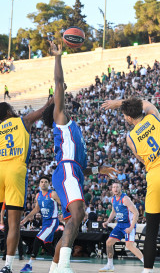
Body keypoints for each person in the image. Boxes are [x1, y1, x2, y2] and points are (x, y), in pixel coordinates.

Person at [42, 41, 119, 273]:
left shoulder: (74, 128)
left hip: (73, 172)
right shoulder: (61, 120)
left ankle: (55, 268)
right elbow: (57, 83)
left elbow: (83, 169)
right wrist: (57, 57)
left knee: (73, 222)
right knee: (77, 214)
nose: (62, 93)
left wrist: (98, 170)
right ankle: (64, 266)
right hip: (66, 172)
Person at [102, 98, 160, 273]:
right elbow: (144, 101)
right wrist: (119, 103)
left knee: (151, 230)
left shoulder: (130, 137)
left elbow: (144, 160)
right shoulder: (154, 115)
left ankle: (147, 270)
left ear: (128, 118)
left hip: (154, 176)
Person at [0, 96, 53, 273]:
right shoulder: (22, 121)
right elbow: (44, 111)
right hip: (15, 168)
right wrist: (50, 100)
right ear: (9, 112)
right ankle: (7, 266)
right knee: (13, 224)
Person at [19, 176, 60, 273]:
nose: (43, 183)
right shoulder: (38, 195)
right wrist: (25, 219)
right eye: (42, 182)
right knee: (47, 244)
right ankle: (59, 263)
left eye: (46, 182)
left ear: (49, 184)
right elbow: (36, 209)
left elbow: (63, 203)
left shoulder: (53, 194)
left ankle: (29, 265)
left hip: (53, 221)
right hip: (45, 222)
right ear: (39, 184)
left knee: (38, 238)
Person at [99, 182, 143, 272]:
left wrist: (131, 227)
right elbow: (113, 212)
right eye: (113, 187)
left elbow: (136, 213)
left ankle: (147, 266)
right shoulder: (113, 199)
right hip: (119, 225)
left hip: (128, 224)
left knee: (129, 245)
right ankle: (110, 265)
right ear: (111, 189)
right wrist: (107, 221)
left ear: (120, 188)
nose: (115, 189)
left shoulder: (125, 199)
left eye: (117, 187)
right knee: (109, 243)